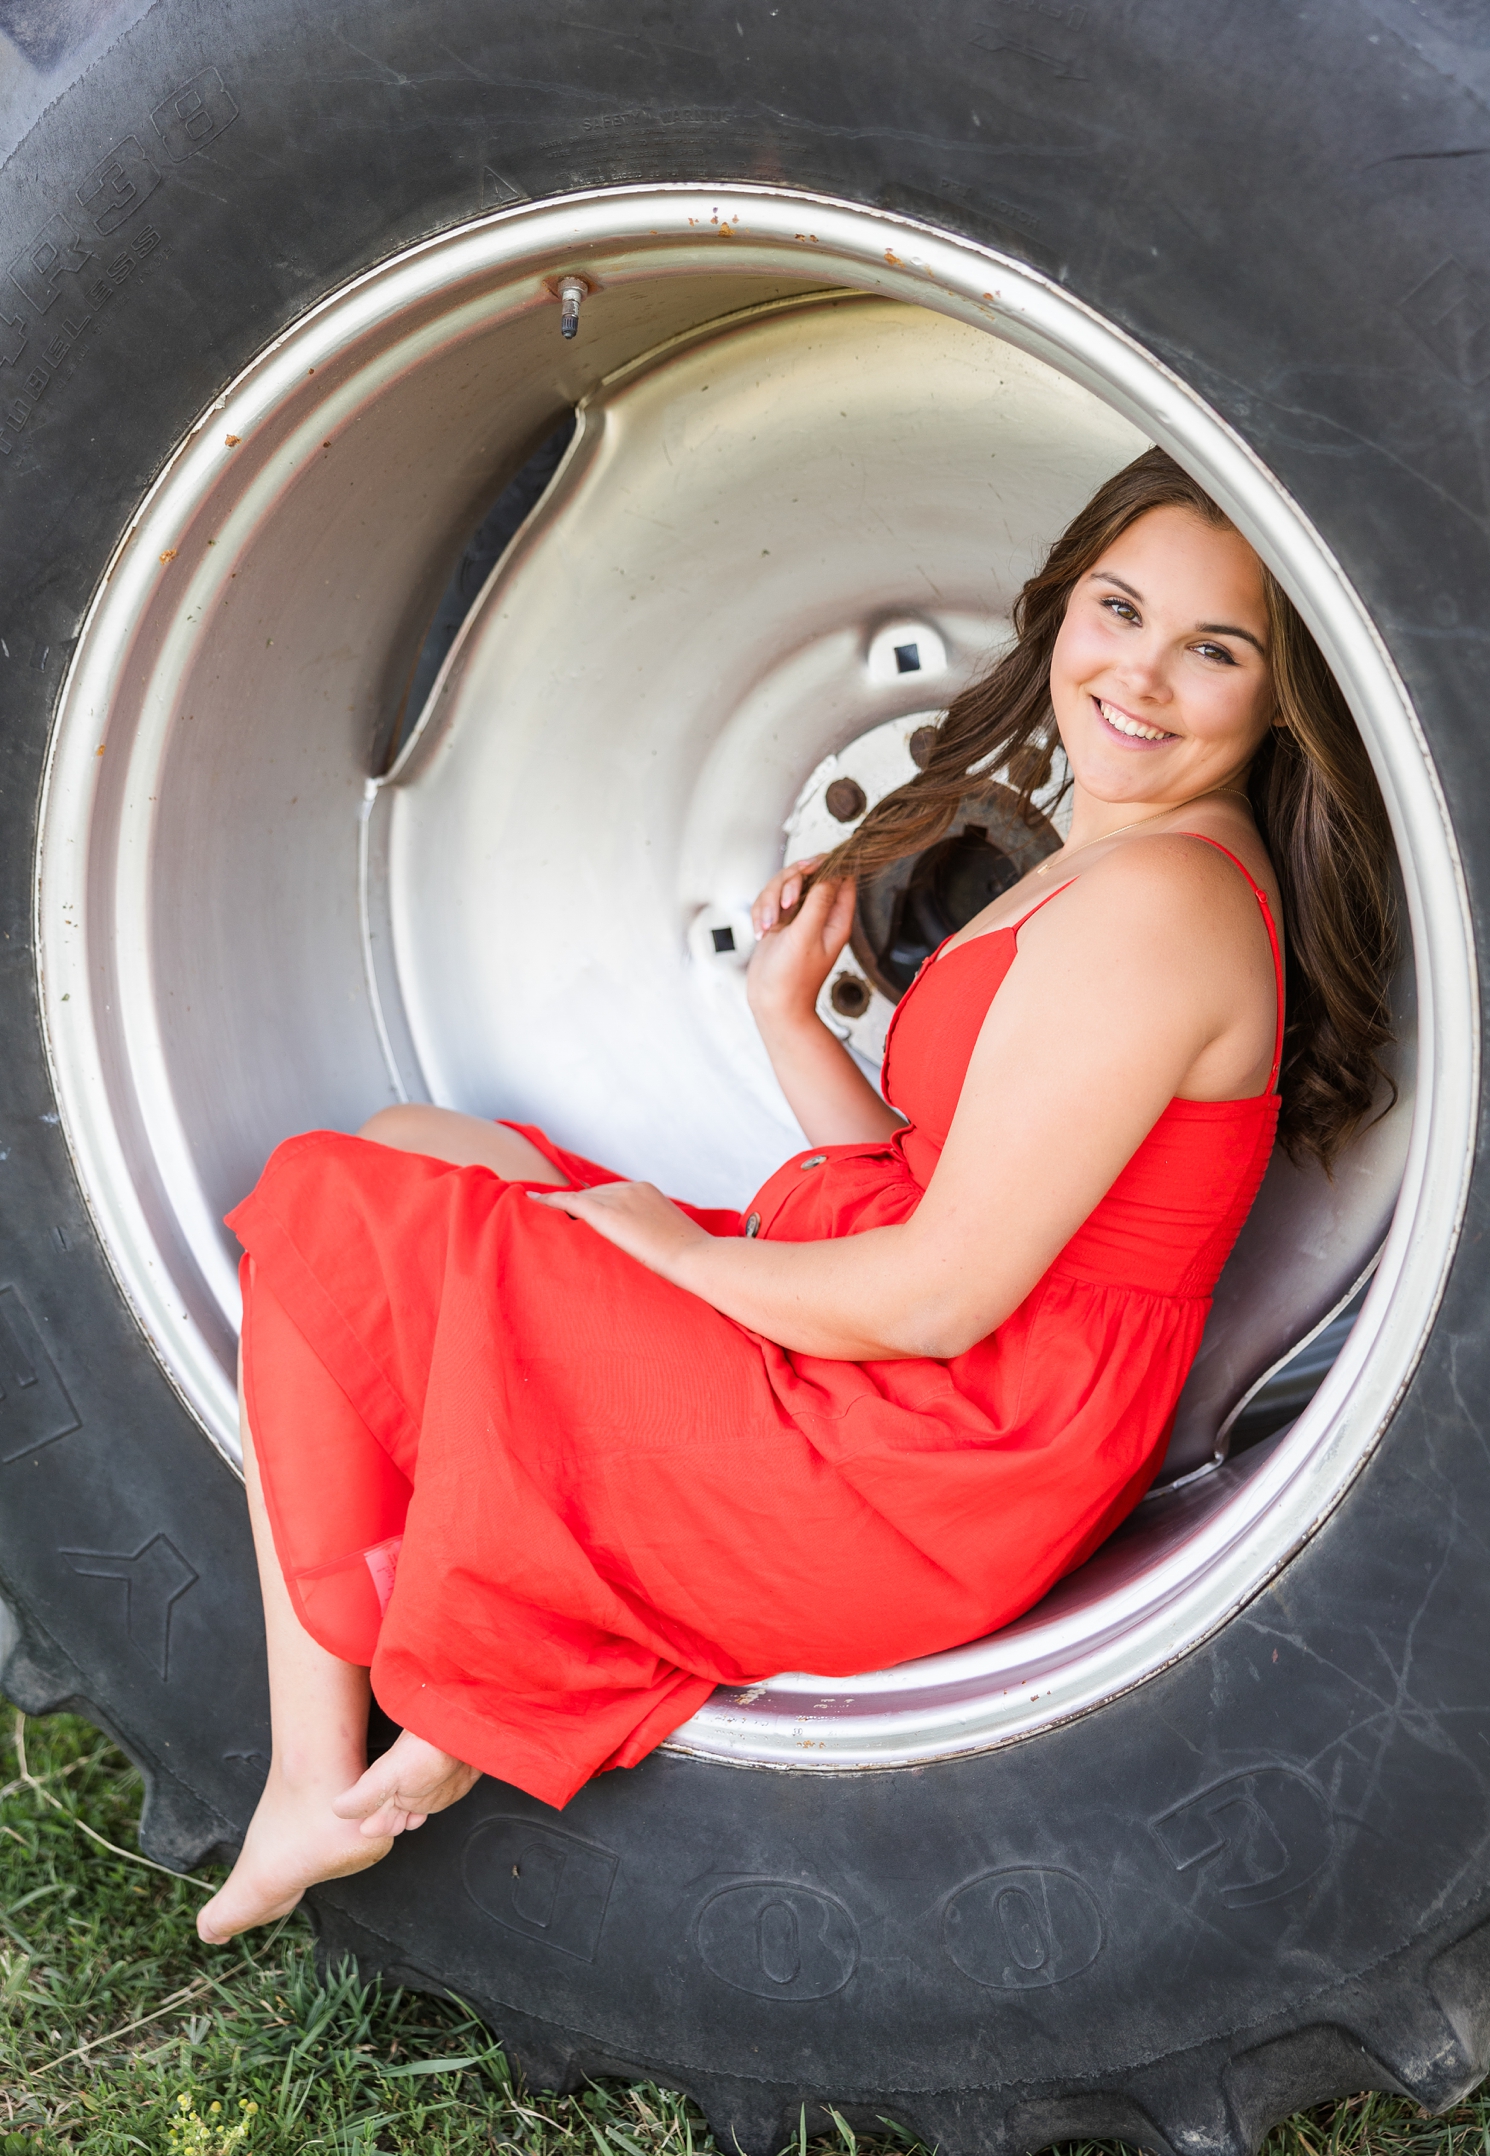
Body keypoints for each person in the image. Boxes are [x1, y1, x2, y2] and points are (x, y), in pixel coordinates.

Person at [197, 448, 1394, 1945]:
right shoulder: (1136, 849)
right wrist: (792, 1024)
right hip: (941, 1393)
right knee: (430, 1145)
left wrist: (665, 1253)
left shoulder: (1162, 906)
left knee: (331, 1195)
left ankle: (324, 1769)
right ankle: (476, 1637)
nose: (1137, 676)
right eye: (1118, 609)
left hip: (930, 1458)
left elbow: (945, 1289)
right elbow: (944, 1177)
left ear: (1280, 695)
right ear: (1062, 602)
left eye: (1211, 650)